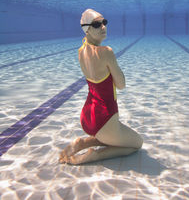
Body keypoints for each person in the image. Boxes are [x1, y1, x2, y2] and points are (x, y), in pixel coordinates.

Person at [59, 9, 143, 164]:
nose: (103, 27)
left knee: (117, 138)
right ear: (87, 29)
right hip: (105, 119)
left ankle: (85, 142)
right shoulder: (106, 52)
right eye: (97, 24)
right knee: (136, 144)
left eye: (104, 22)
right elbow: (121, 84)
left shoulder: (81, 50)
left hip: (88, 116)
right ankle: (95, 155)